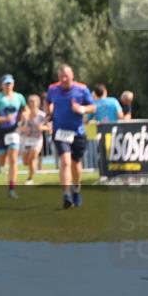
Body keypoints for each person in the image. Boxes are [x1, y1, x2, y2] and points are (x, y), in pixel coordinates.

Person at [45, 65, 95, 209]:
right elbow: (48, 101)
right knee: (65, 161)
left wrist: (82, 109)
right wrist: (48, 113)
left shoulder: (82, 89)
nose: (64, 79)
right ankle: (66, 194)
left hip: (77, 132)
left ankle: (76, 188)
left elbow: (93, 107)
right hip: (60, 132)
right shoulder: (53, 89)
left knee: (76, 164)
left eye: (66, 76)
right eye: (61, 77)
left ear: (72, 75)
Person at [0, 74, 27, 198]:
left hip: (13, 131)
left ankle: (12, 188)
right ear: (1, 85)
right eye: (6, 83)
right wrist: (4, 119)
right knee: (3, 160)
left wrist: (25, 116)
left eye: (10, 83)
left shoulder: (19, 97)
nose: (8, 86)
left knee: (13, 159)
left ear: (13, 84)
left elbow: (25, 110)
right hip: (0, 132)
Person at [19, 94, 49, 184]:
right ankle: (32, 169)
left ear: (38, 103)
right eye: (30, 102)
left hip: (37, 139)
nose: (32, 104)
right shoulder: (25, 114)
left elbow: (49, 127)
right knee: (25, 162)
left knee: (32, 158)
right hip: (26, 139)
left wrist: (42, 128)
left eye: (34, 102)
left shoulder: (42, 115)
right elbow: (20, 127)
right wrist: (24, 128)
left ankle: (30, 178)